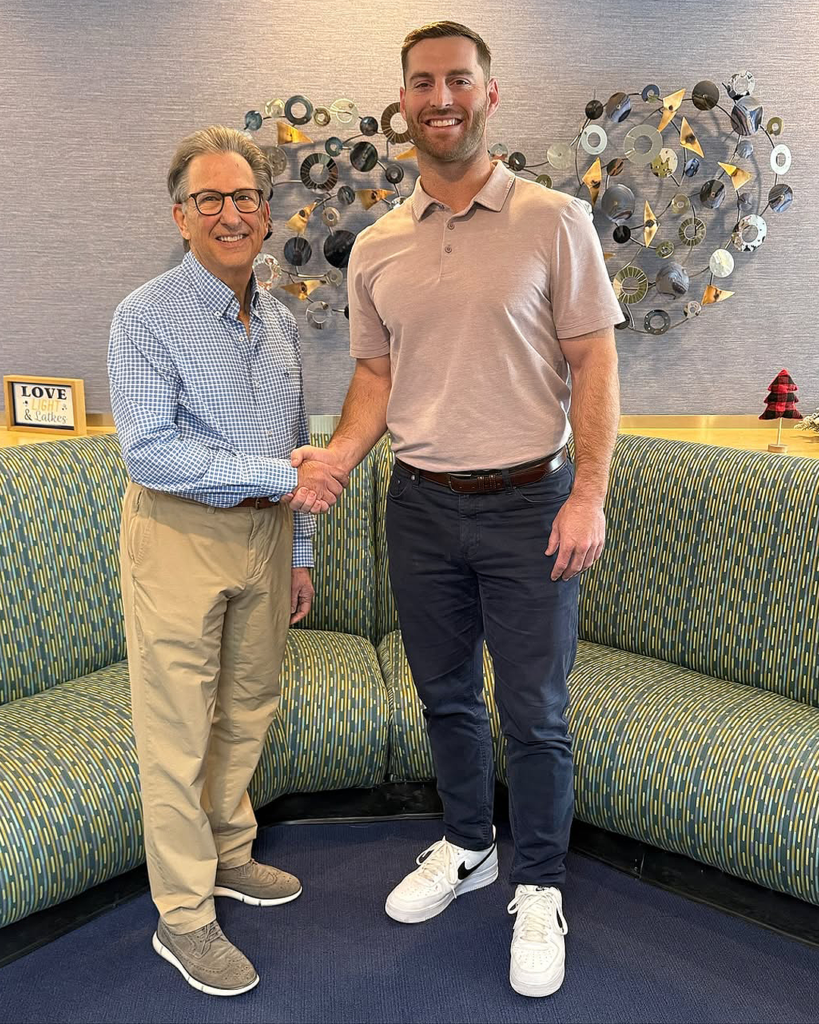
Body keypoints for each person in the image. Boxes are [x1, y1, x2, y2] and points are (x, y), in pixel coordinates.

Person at [289, 21, 621, 999]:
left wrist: (590, 494)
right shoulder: (380, 245)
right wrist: (340, 459)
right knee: (443, 697)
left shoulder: (554, 219)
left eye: (459, 81)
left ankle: (541, 886)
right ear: (406, 106)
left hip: (532, 506)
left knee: (535, 713)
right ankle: (471, 846)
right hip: (421, 506)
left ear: (489, 95)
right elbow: (378, 378)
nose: (441, 98)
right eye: (423, 84)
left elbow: (595, 359)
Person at [108, 125, 346, 997]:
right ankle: (183, 915)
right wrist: (276, 477)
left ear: (265, 210)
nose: (232, 213)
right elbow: (150, 452)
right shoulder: (145, 315)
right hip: (177, 535)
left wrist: (300, 553)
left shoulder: (278, 320)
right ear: (181, 216)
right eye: (210, 198)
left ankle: (229, 854)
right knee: (175, 731)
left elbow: (295, 444)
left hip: (265, 540)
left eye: (246, 196)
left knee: (249, 704)